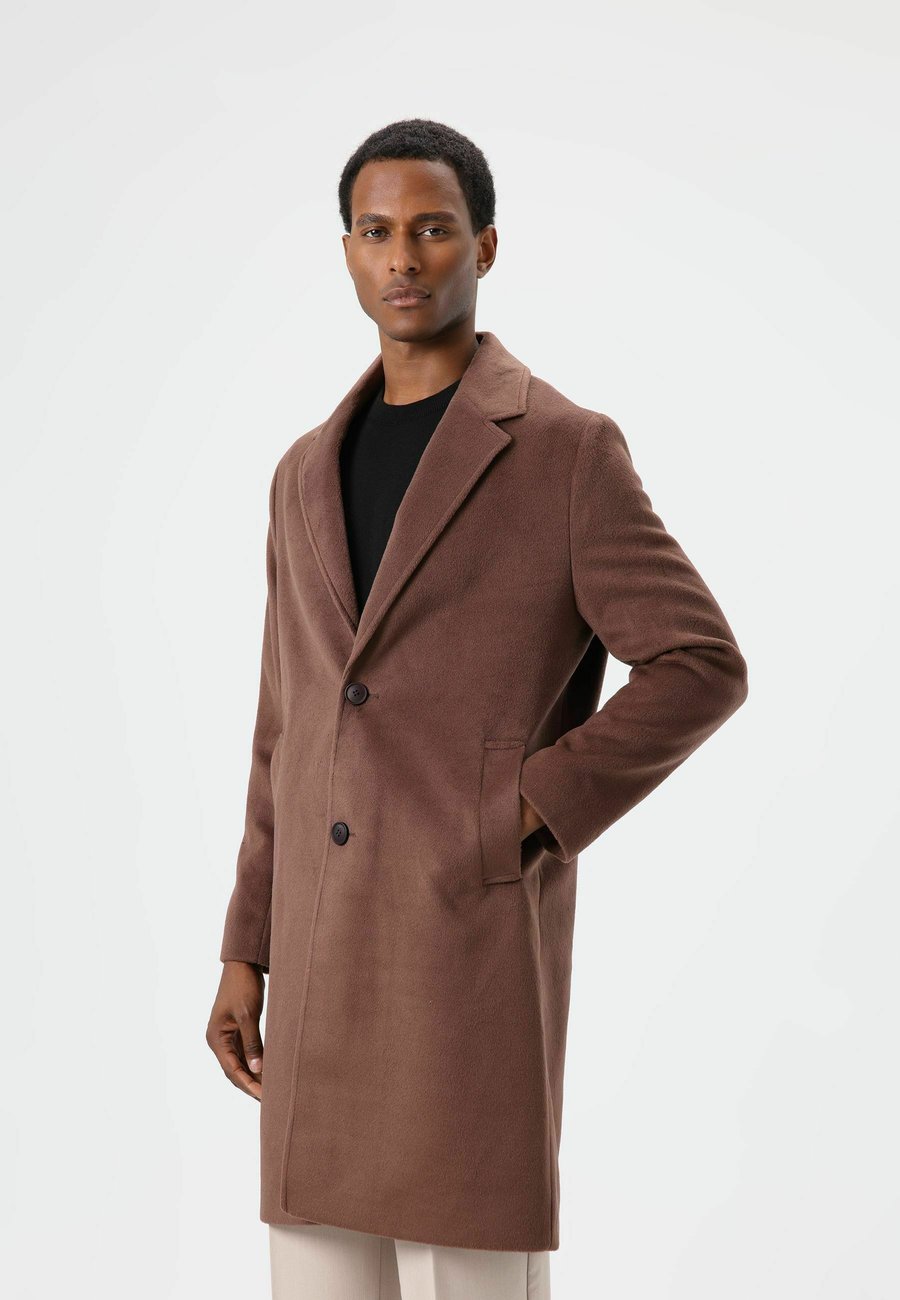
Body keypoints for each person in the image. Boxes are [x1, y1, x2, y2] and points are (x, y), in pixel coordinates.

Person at [206, 117, 748, 1300]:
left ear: (486, 246)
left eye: (434, 230)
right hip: (317, 960)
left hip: (461, 946)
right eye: (376, 231)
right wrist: (247, 945)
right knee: (314, 1274)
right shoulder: (302, 470)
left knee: (477, 1272)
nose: (403, 257)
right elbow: (284, 723)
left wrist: (523, 808)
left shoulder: (564, 451)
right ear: (346, 251)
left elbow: (700, 662)